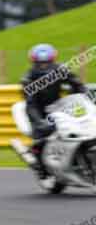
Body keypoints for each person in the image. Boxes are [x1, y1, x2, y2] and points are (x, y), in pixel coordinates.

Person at [21, 43, 87, 177]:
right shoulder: (28, 77)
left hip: (60, 106)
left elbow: (78, 85)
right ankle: (38, 162)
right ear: (34, 62)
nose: (44, 66)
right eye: (40, 63)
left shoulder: (61, 70)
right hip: (38, 109)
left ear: (53, 61)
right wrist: (38, 121)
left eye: (47, 63)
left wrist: (83, 98)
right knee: (42, 133)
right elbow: (30, 101)